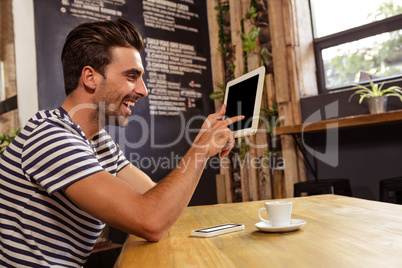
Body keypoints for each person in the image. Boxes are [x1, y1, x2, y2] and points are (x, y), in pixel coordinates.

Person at [0, 18, 243, 267]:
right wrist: (200, 150)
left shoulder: (99, 143)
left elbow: (157, 201)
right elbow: (151, 220)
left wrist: (203, 146)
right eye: (131, 76)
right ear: (90, 77)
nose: (143, 90)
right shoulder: (50, 136)